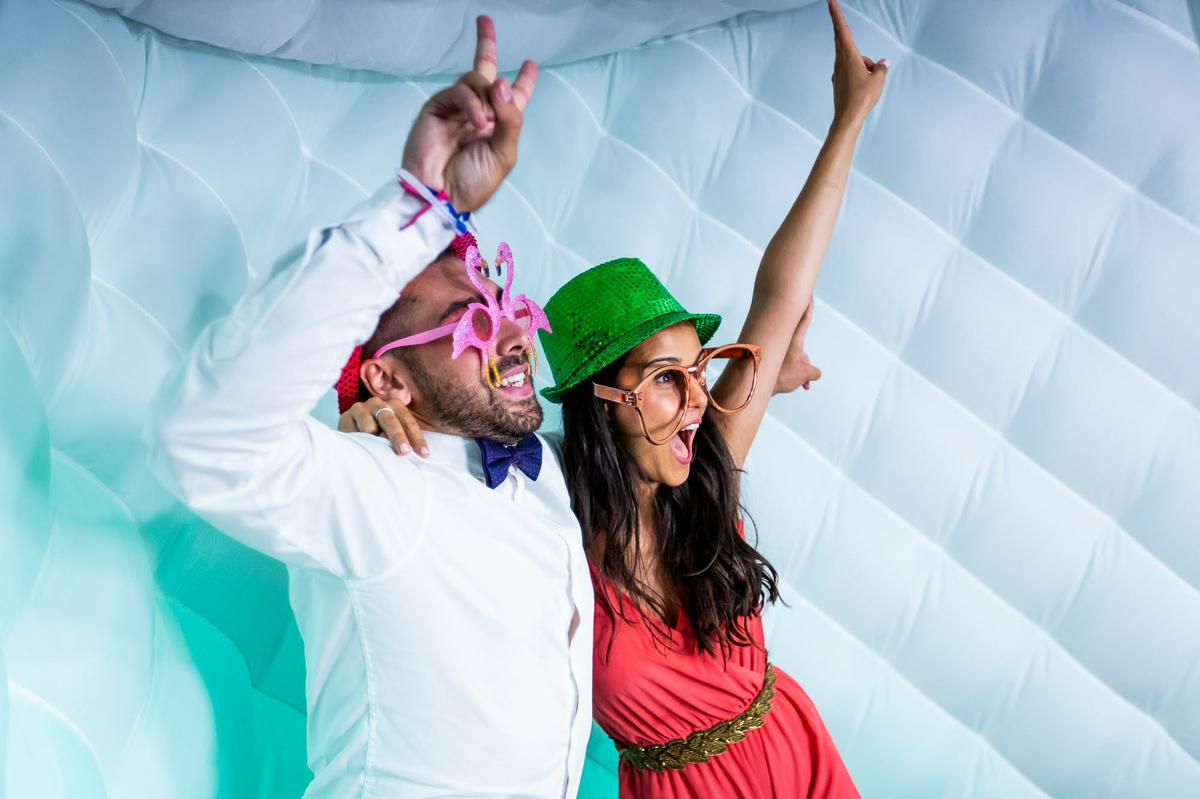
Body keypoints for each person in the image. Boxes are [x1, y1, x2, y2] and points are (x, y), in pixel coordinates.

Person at [346, 1, 882, 795]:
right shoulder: (541, 519)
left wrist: (848, 119)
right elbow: (430, 457)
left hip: (798, 757)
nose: (697, 399)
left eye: (698, 371)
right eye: (666, 377)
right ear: (600, 400)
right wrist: (361, 417)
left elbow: (781, 291)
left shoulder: (703, 466)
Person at [147, 17, 597, 799]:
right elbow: (203, 440)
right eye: (469, 319)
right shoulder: (380, 489)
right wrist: (422, 202)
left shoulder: (545, 475)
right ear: (388, 380)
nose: (512, 333)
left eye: (504, 302)